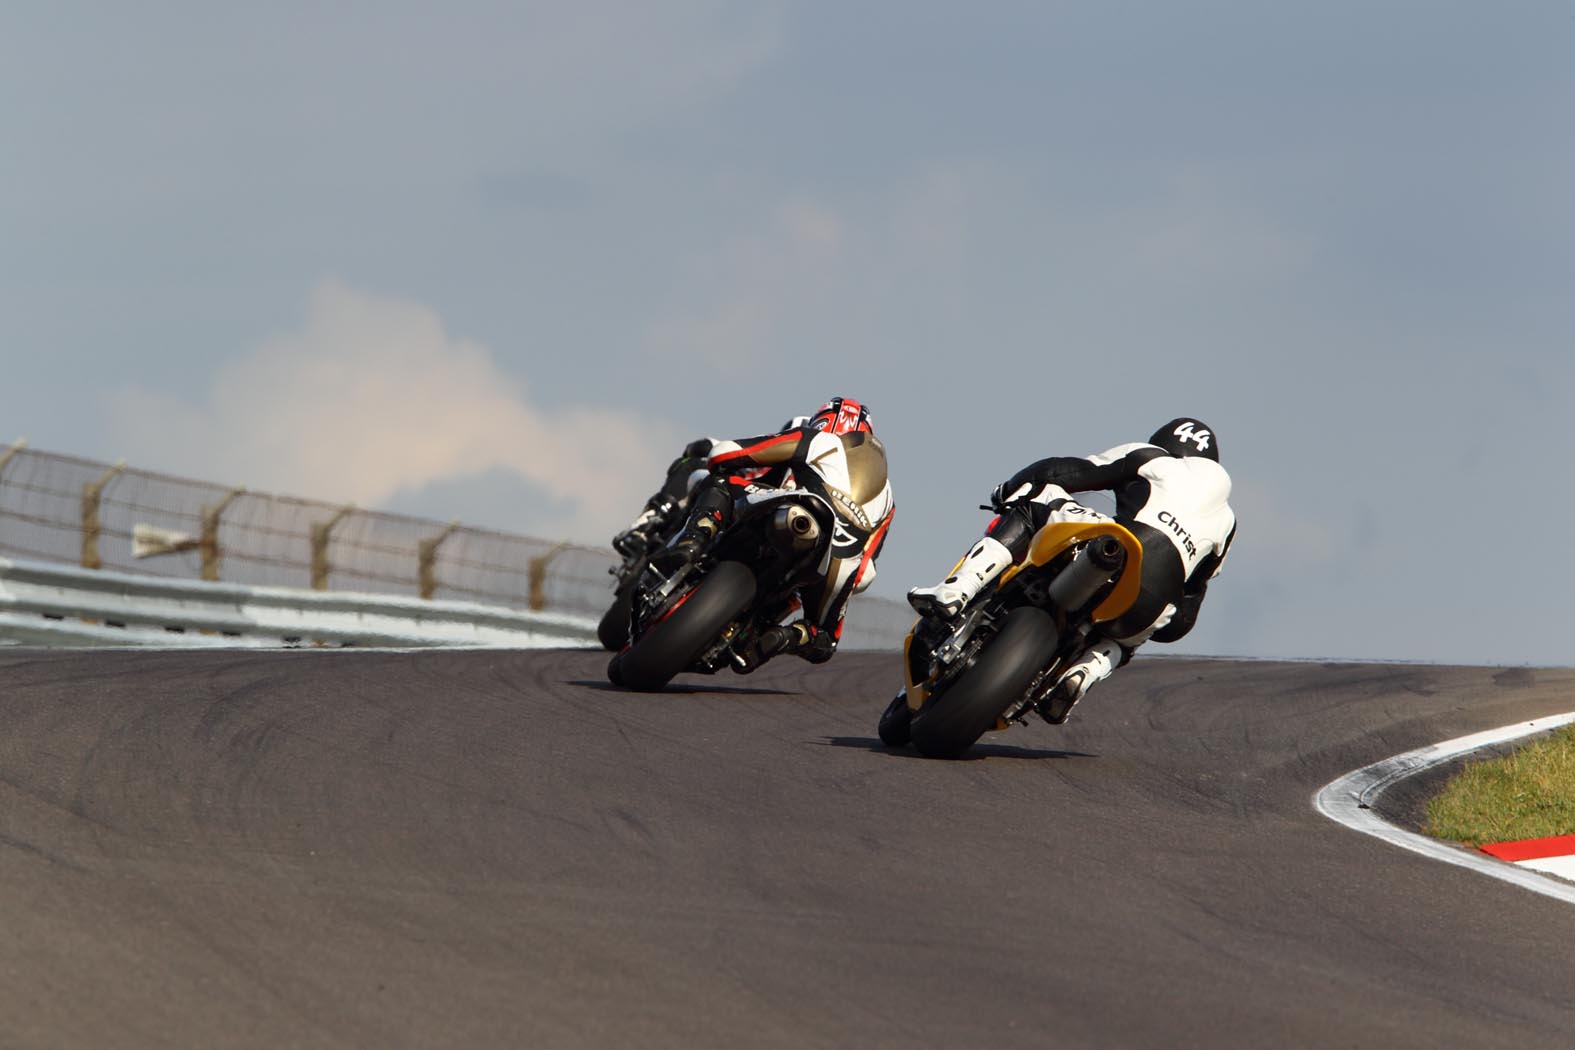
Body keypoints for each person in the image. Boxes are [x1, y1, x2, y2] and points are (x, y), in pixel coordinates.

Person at [907, 417, 1236, 723]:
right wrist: (1149, 629)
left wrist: (1008, 490)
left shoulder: (1153, 458)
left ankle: (957, 589)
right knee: (1133, 636)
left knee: (1040, 495)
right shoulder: (1227, 522)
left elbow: (1065, 472)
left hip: (1118, 543)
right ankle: (1084, 673)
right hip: (1149, 600)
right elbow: (1185, 614)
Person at [658, 397, 894, 668]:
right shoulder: (887, 498)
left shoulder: (820, 441)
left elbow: (725, 453)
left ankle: (696, 536)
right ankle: (785, 636)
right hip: (838, 563)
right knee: (824, 640)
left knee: (719, 480)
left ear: (823, 421)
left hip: (791, 510)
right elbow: (865, 572)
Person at [611, 416, 811, 559]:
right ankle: (645, 527)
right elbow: (710, 446)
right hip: (732, 499)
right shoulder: (758, 461)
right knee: (696, 466)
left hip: (768, 534)